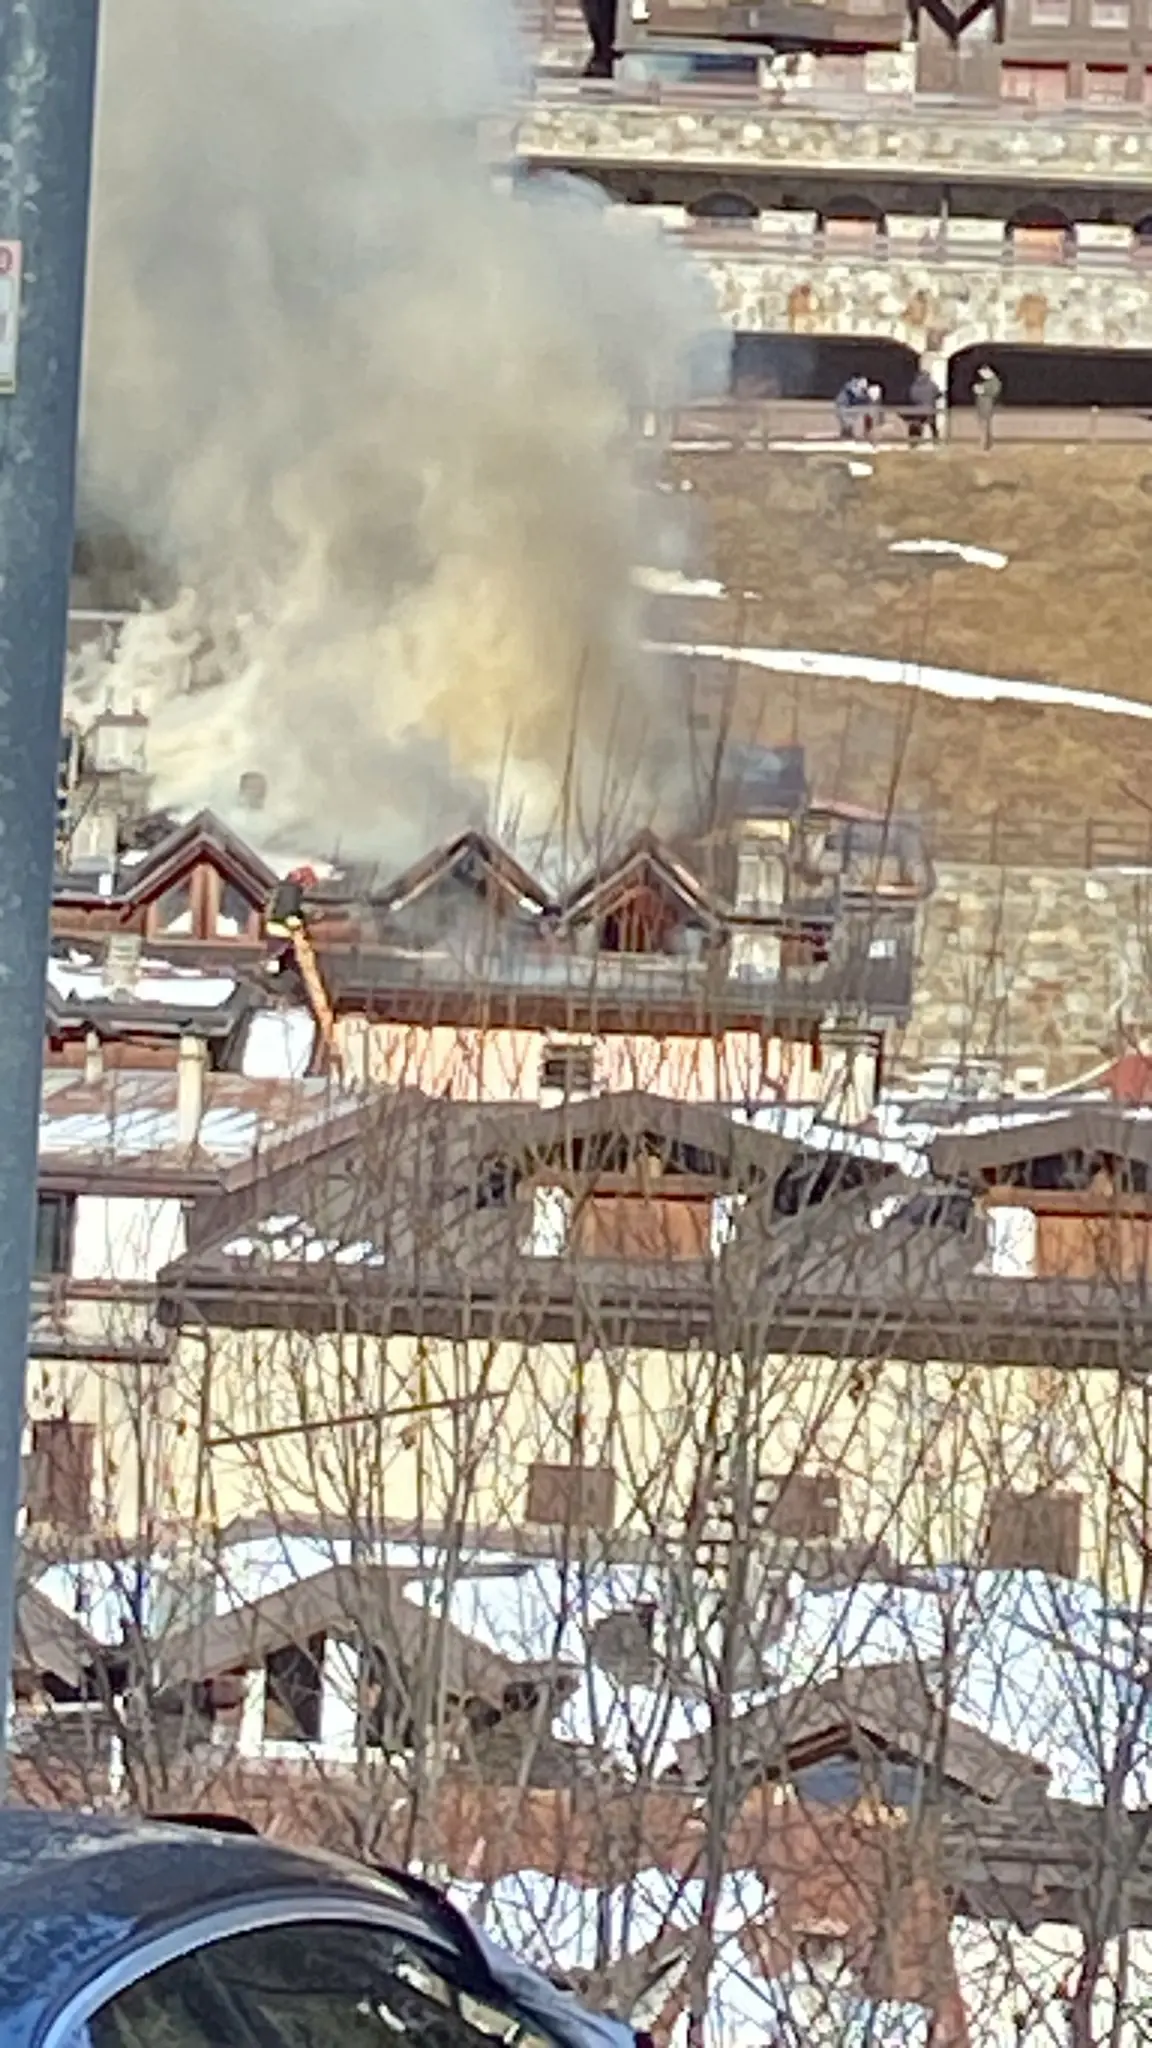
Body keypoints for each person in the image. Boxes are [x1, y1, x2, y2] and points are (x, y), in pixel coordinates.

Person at [908, 365, 942, 444]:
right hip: (930, 408)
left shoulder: (914, 385)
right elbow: (938, 394)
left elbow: (912, 397)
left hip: (918, 409)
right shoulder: (931, 384)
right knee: (933, 425)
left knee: (917, 424)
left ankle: (915, 442)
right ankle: (936, 441)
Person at [973, 362, 1003, 450]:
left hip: (986, 406)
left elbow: (994, 391)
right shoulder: (989, 382)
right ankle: (986, 444)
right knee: (985, 425)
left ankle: (985, 444)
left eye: (982, 373)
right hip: (983, 406)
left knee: (984, 425)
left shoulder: (994, 381)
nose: (981, 375)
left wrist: (981, 390)